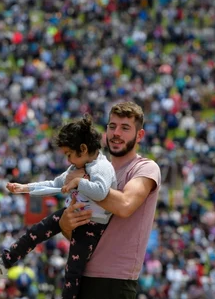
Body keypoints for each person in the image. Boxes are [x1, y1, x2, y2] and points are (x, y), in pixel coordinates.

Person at [0, 114, 117, 299]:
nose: (68, 161)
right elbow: (54, 185)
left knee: (72, 273)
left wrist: (77, 182)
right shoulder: (76, 168)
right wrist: (25, 188)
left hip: (91, 226)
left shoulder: (103, 167)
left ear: (83, 149)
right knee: (36, 231)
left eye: (69, 155)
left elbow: (101, 192)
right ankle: (4, 262)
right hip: (72, 214)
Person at [59, 101, 161, 299]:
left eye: (125, 128)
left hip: (115, 281)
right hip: (81, 274)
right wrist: (65, 224)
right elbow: (78, 234)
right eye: (112, 126)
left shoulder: (145, 168)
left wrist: (83, 183)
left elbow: (124, 205)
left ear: (139, 135)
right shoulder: (94, 170)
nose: (116, 133)